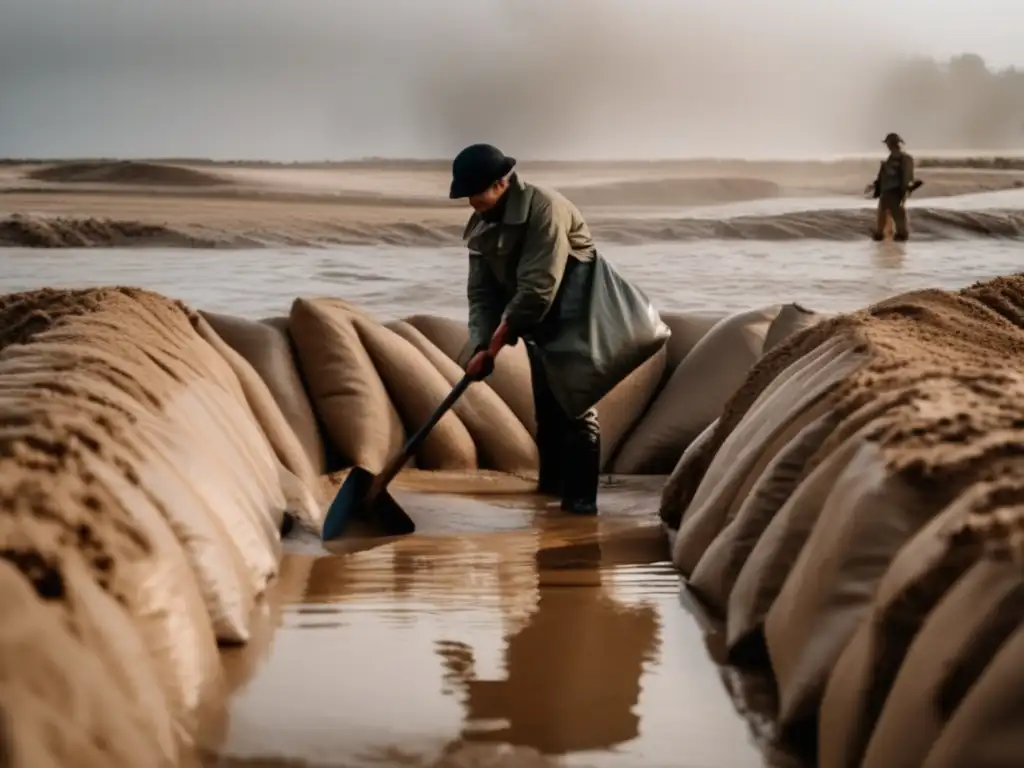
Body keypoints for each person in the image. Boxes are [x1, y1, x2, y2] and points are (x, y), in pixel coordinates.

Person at [449, 143, 600, 515]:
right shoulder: (484, 222)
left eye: (477, 192)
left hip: (574, 317)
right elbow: (481, 293)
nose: (472, 201)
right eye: (467, 195)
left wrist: (496, 347)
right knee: (547, 409)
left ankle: (580, 506)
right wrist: (481, 345)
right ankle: (550, 490)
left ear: (502, 183)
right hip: (536, 322)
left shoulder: (545, 209)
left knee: (576, 408)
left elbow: (538, 287)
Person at [870, 132, 915, 242]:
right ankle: (885, 239)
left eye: (888, 143)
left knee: (898, 220)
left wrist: (903, 192)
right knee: (883, 219)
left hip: (895, 192)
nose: (888, 146)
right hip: (887, 192)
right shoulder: (892, 159)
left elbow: (906, 177)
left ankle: (897, 244)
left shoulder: (903, 159)